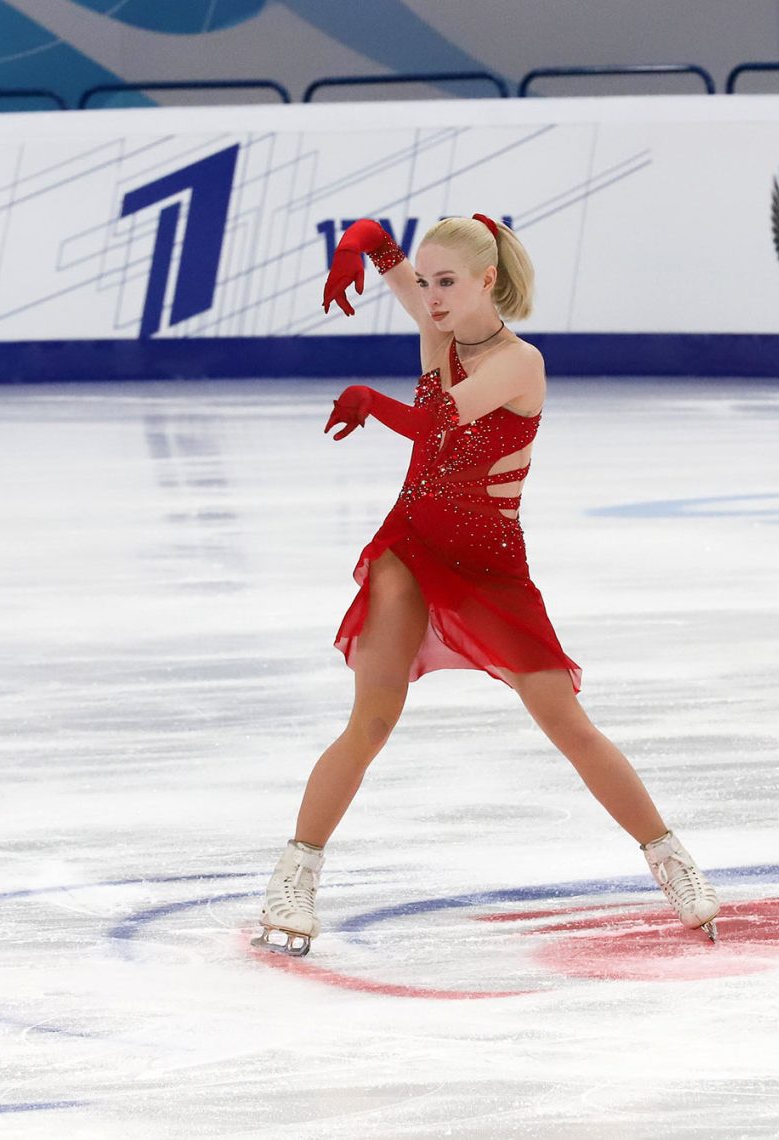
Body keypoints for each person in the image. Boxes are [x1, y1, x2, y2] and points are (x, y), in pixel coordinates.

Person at [253, 214, 720, 957]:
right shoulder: (439, 327)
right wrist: (354, 252)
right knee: (371, 722)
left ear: (486, 282)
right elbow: (378, 238)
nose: (428, 298)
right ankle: (293, 878)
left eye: (446, 284)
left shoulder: (519, 363)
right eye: (424, 283)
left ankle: (672, 860)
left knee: (567, 723)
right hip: (410, 548)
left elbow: (436, 426)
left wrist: (373, 402)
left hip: (492, 570)